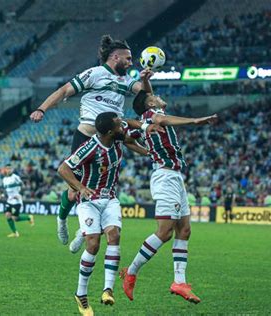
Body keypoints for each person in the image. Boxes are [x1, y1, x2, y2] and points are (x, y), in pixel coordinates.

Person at [30, 34, 159, 246]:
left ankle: (86, 229)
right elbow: (64, 91)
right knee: (74, 190)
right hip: (86, 137)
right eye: (127, 58)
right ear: (115, 57)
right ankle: (62, 220)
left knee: (102, 191)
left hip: (111, 140)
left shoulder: (127, 81)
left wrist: (145, 80)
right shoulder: (94, 74)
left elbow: (147, 100)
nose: (130, 62)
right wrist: (42, 109)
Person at [120, 90, 217, 304]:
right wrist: (194, 120)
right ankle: (131, 271)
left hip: (174, 176)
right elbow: (160, 118)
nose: (159, 96)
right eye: (154, 96)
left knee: (184, 230)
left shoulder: (146, 118)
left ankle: (179, 282)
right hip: (165, 176)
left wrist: (146, 151)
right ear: (150, 103)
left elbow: (127, 139)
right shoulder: (152, 115)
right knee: (164, 233)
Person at [58, 112, 146, 316]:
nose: (121, 127)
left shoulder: (117, 136)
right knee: (93, 244)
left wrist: (146, 145)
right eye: (118, 125)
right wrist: (80, 187)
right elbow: (63, 169)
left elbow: (132, 134)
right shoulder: (90, 148)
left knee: (114, 236)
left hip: (111, 198)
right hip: (89, 202)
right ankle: (81, 294)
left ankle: (108, 289)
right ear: (108, 131)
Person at [2, 164, 34, 238]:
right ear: (5, 170)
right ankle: (15, 233)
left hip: (17, 200)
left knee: (15, 218)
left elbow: (23, 186)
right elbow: (5, 189)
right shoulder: (4, 179)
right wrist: (3, 194)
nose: (8, 170)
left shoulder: (15, 177)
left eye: (10, 168)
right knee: (7, 215)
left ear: (12, 169)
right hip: (9, 200)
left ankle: (29, 217)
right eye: (7, 169)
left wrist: (19, 194)